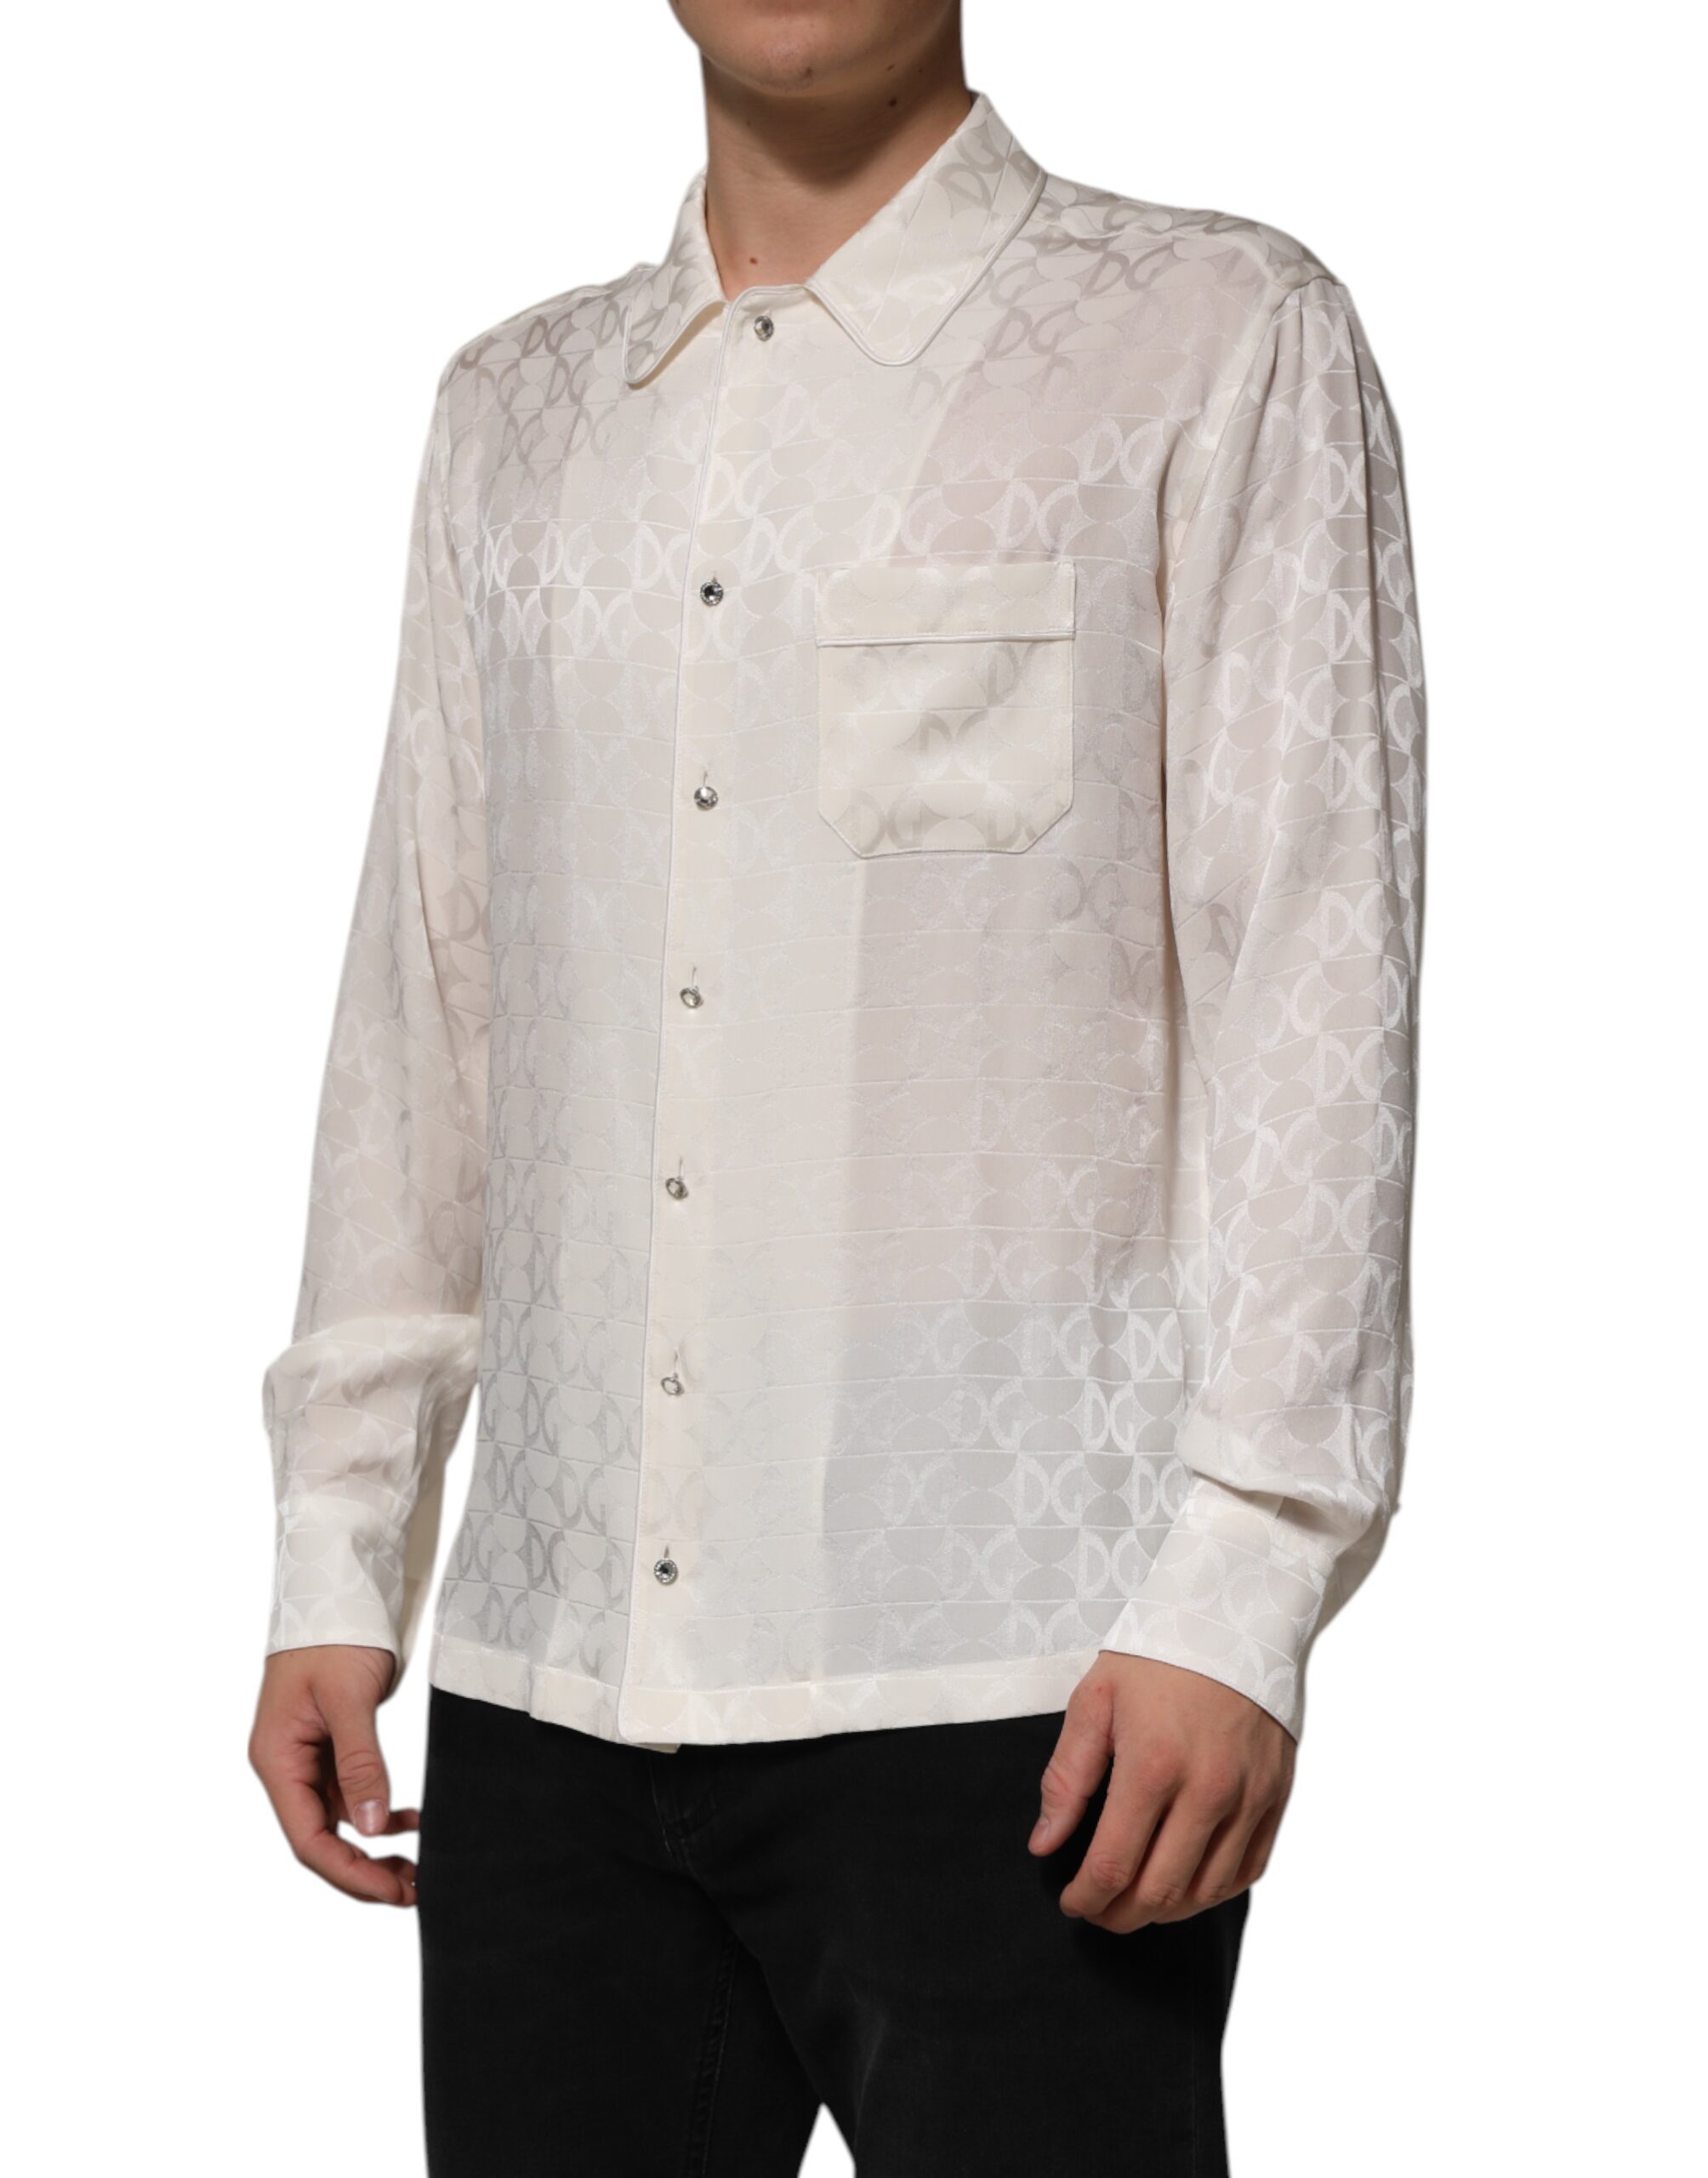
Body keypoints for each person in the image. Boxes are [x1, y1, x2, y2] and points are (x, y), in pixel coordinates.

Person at [248, 3, 1424, 2169]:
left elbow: (1311, 980)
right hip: (549, 1686)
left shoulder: (1206, 336)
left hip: (1029, 1688)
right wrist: (340, 1544)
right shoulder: (511, 411)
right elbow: (432, 994)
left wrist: (1244, 1581)